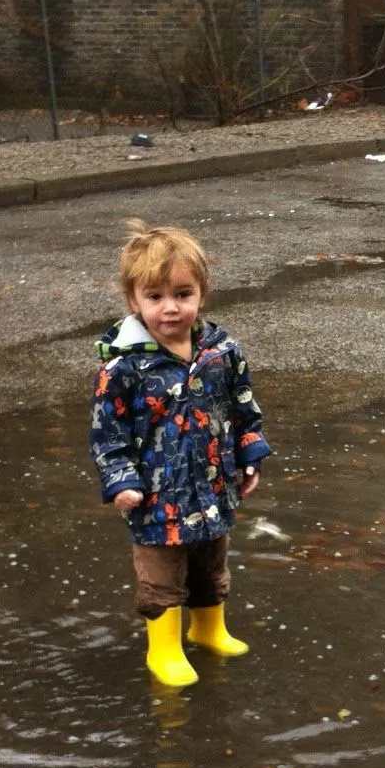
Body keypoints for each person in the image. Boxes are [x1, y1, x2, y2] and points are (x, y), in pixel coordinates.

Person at [89, 220, 270, 687]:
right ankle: (164, 648)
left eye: (183, 294)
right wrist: (122, 480)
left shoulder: (221, 352)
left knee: (211, 565)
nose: (170, 308)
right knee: (162, 578)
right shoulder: (124, 367)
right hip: (156, 498)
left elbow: (243, 407)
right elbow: (107, 434)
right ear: (134, 300)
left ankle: (210, 629)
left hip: (213, 486)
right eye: (155, 297)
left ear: (202, 294)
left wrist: (250, 454)